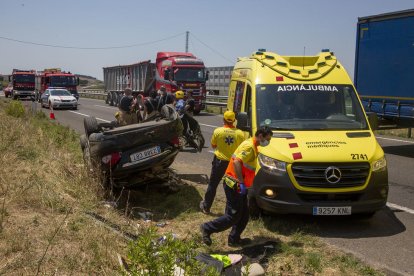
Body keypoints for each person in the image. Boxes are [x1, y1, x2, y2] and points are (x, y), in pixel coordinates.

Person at [200, 126, 273, 247]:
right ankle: (207, 228)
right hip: (234, 185)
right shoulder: (249, 146)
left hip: (239, 186)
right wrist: (242, 182)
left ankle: (234, 239)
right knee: (232, 216)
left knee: (244, 215)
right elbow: (236, 162)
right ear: (260, 136)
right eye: (267, 139)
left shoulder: (253, 145)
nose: (268, 142)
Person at [199, 111, 245, 214]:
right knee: (232, 187)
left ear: (223, 119)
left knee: (213, 184)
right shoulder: (240, 133)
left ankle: (206, 207)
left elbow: (214, 146)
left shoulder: (218, 131)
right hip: (233, 164)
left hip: (219, 162)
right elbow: (242, 149)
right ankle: (230, 211)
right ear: (234, 120)